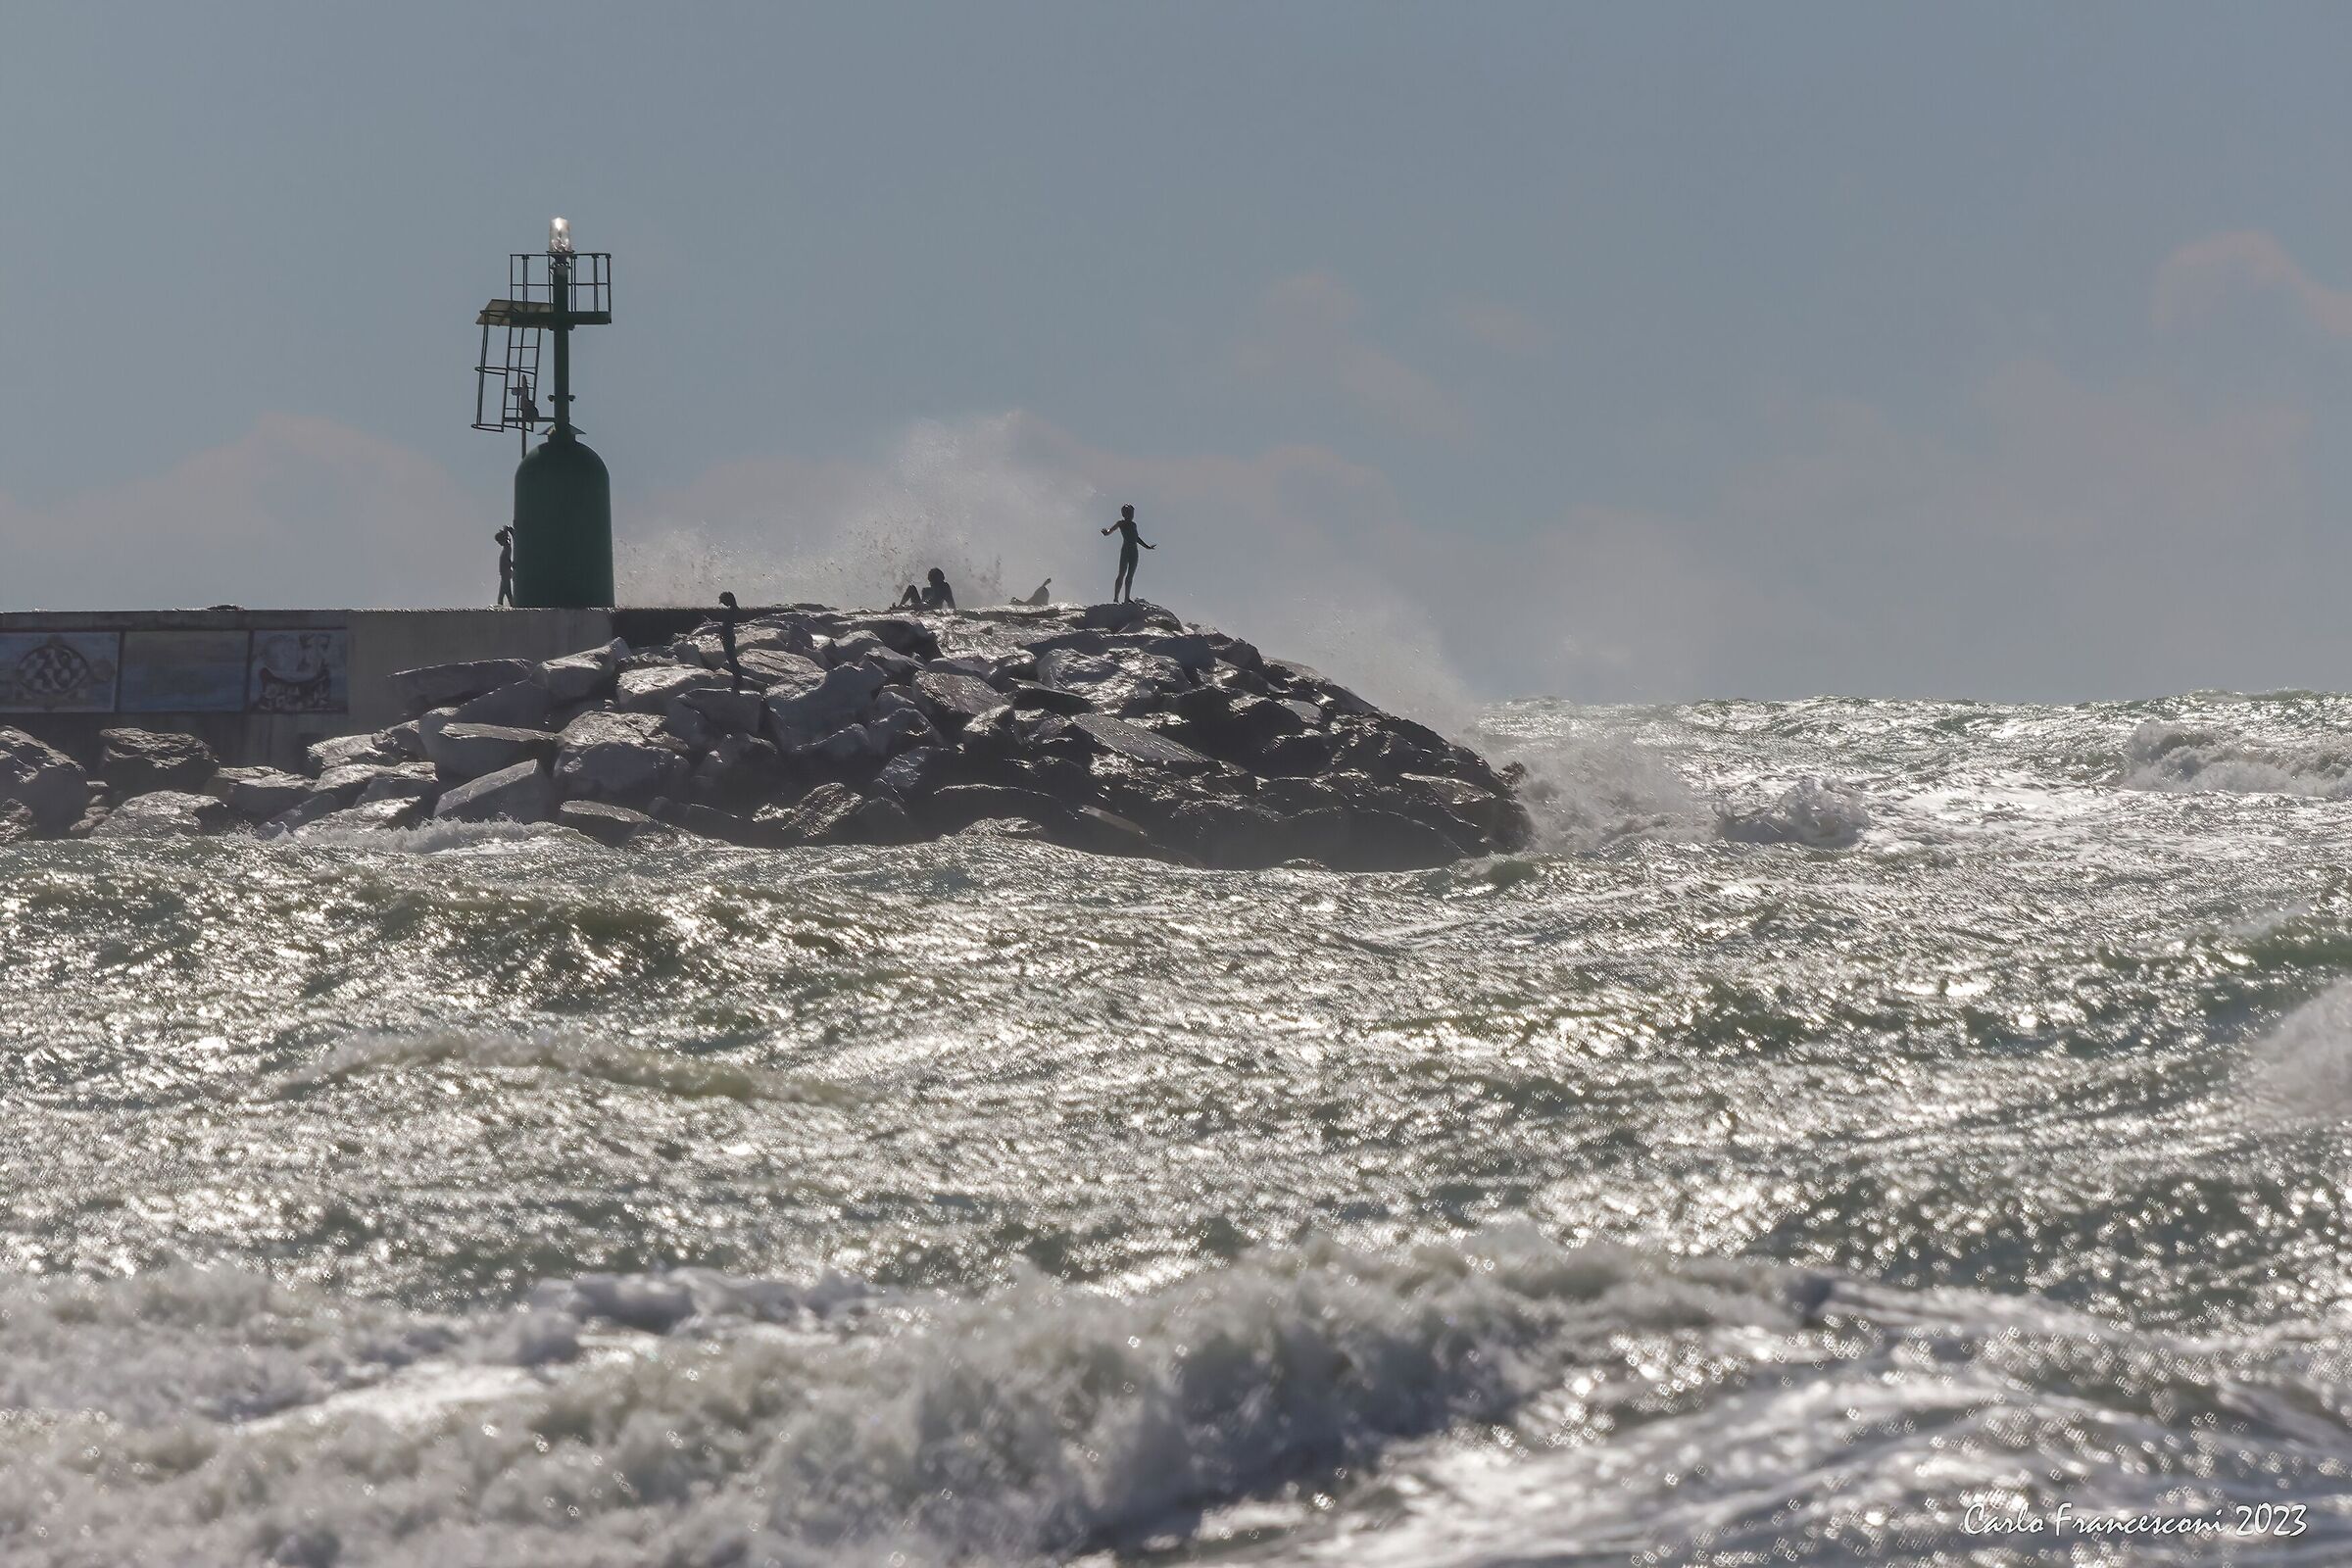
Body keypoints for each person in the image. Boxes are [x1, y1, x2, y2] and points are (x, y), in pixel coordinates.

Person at [1102, 505, 1152, 603]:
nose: (1131, 515)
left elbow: (1136, 538)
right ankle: (1116, 598)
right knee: (1121, 574)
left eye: (1132, 513)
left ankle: (1126, 598)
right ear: (1124, 514)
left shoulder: (1134, 525)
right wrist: (1106, 532)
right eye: (1129, 513)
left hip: (1134, 551)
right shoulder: (1121, 523)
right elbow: (1111, 530)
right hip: (1126, 550)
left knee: (1130, 575)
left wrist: (1147, 546)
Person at [716, 590, 745, 693]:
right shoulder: (733, 610)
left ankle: (738, 681)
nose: (723, 604)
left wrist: (722, 630)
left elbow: (727, 626)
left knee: (732, 659)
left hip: (728, 637)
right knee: (732, 659)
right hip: (728, 637)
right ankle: (738, 680)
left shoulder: (732, 611)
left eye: (724, 602)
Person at [494, 527, 514, 607]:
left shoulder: (507, 548)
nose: (499, 543)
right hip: (505, 575)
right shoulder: (506, 547)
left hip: (506, 575)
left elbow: (507, 561)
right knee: (507, 595)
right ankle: (513, 608)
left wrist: (507, 531)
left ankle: (502, 611)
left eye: (499, 541)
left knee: (502, 596)